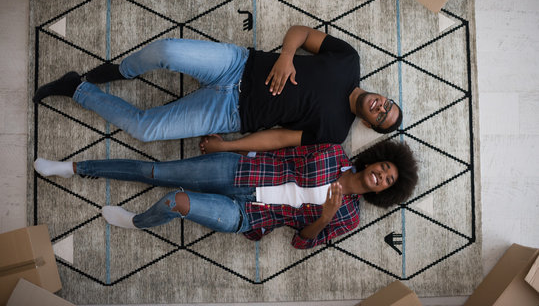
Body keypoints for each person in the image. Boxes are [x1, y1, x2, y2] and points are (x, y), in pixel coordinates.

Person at [33, 25, 402, 152]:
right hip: (239, 64)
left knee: (145, 130)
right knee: (167, 50)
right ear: (384, 95)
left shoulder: (336, 133)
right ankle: (124, 71)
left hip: (231, 113)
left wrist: (230, 144)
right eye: (388, 103)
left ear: (371, 125)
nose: (381, 107)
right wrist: (287, 55)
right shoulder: (348, 61)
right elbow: (301, 33)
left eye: (382, 117)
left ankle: (76, 89)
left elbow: (277, 140)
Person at [34, 140, 418, 249]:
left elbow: (301, 244)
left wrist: (326, 216)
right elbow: (283, 149)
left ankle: (138, 222)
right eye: (384, 168)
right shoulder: (334, 153)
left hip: (248, 215)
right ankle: (71, 168)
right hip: (239, 169)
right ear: (375, 160)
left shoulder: (350, 218)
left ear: (385, 192)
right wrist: (231, 149)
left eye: (388, 181)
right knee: (157, 172)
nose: (381, 176)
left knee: (176, 202)